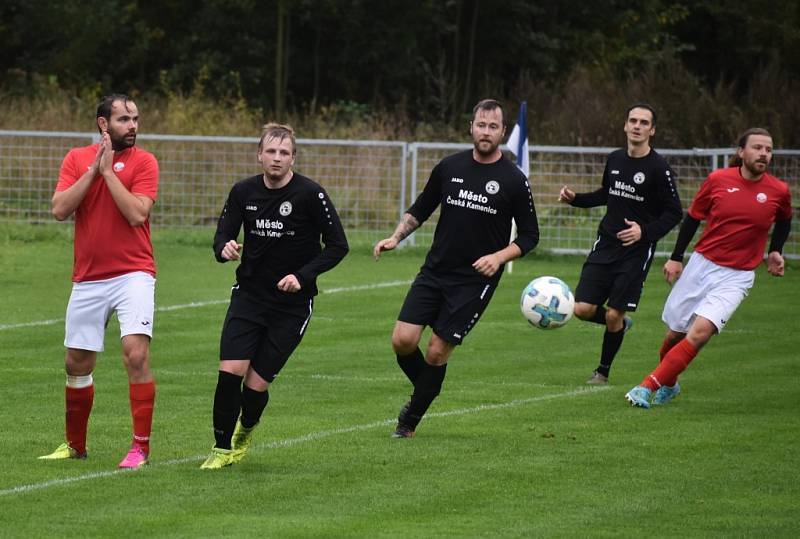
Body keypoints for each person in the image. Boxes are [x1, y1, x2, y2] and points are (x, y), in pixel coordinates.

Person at [374, 99, 540, 438]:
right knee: (402, 341)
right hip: (435, 270)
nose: (486, 132)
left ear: (502, 132)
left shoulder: (513, 179)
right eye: (481, 125)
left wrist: (499, 257)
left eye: (493, 127)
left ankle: (408, 422)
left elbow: (530, 236)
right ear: (471, 127)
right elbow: (421, 208)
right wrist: (396, 237)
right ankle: (429, 388)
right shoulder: (449, 167)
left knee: (436, 351)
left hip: (474, 280)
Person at [201, 123, 349, 469]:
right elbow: (223, 233)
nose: (277, 158)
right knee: (230, 371)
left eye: (284, 153)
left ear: (293, 157)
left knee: (255, 387)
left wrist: (302, 276)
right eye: (271, 151)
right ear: (259, 154)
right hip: (249, 297)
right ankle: (221, 449)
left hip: (291, 308)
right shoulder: (243, 192)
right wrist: (224, 247)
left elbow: (339, 246)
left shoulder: (311, 194)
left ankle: (245, 430)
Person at [625, 127, 792, 408]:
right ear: (741, 152)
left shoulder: (778, 191)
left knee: (700, 333)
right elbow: (693, 219)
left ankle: (647, 386)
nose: (764, 154)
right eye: (757, 148)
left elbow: (785, 219)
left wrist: (775, 250)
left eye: (768, 149)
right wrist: (676, 257)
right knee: (674, 335)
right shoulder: (717, 180)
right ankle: (670, 382)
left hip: (737, 277)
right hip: (701, 266)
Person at [40, 94, 159, 469]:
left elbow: (138, 214)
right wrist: (94, 169)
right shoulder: (76, 159)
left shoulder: (145, 162)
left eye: (136, 118)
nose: (133, 125)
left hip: (134, 274)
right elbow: (60, 209)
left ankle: (140, 448)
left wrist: (109, 173)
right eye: (124, 119)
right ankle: (75, 445)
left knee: (135, 354)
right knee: (76, 362)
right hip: (88, 279)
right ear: (103, 124)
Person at [558, 104, 682, 385]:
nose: (637, 126)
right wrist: (576, 199)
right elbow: (607, 194)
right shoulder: (614, 159)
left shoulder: (659, 168)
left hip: (636, 252)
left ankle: (602, 371)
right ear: (625, 126)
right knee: (582, 309)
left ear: (652, 130)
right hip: (606, 244)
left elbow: (674, 211)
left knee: (614, 312)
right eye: (633, 121)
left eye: (644, 122)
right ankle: (620, 326)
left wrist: (644, 232)